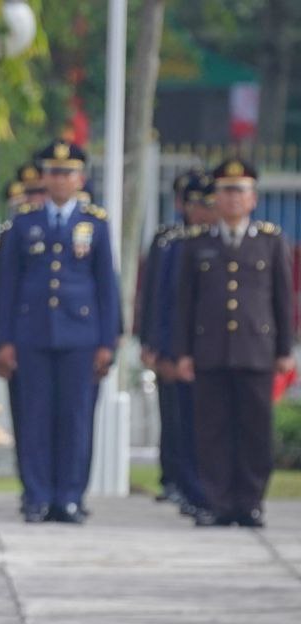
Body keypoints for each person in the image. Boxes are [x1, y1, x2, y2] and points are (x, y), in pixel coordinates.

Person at [0, 141, 120, 524]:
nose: (60, 179)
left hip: (81, 336)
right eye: (53, 171)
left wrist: (106, 342)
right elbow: (6, 287)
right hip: (31, 334)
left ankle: (69, 496)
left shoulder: (95, 223)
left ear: (80, 178)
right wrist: (3, 341)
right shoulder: (23, 223)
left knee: (76, 419)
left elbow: (106, 287)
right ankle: (37, 495)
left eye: (68, 173)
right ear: (43, 176)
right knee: (34, 419)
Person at [174, 158, 295, 527]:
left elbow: (282, 300)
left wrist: (285, 351)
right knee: (212, 431)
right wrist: (181, 353)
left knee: (255, 431)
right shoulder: (198, 245)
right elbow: (185, 304)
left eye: (239, 191)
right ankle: (218, 502)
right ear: (216, 198)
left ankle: (250, 502)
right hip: (210, 350)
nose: (232, 199)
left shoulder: (271, 242)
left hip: (256, 351)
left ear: (253, 198)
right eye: (225, 191)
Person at [153, 172, 216, 519]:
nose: (203, 212)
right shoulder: (175, 244)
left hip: (221, 349)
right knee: (184, 422)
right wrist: (162, 348)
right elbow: (163, 301)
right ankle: (190, 488)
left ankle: (219, 492)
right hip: (184, 349)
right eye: (196, 204)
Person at [139, 170, 200, 506]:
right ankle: (172, 477)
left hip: (205, 345)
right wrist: (150, 342)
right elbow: (155, 296)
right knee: (173, 416)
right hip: (169, 342)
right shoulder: (169, 241)